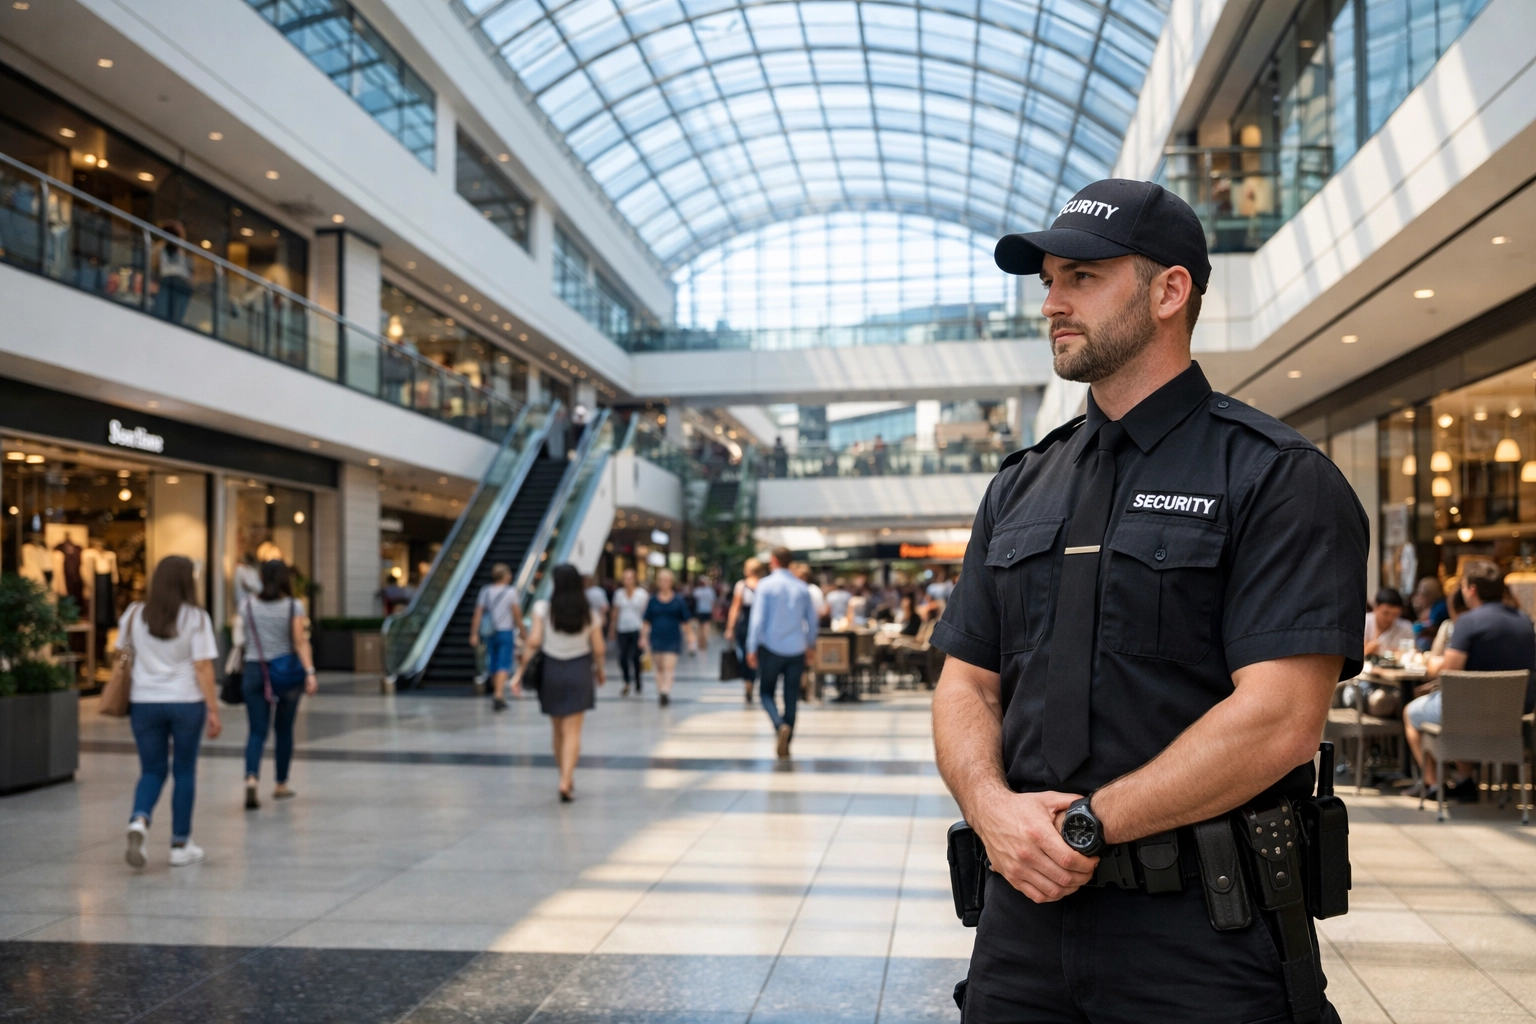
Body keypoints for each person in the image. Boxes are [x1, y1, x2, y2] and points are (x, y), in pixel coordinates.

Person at [931, 178, 1368, 1022]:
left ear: (1170, 291)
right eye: (1049, 280)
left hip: (1203, 936)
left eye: (1082, 277)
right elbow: (966, 683)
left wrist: (1087, 827)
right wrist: (991, 811)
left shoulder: (1274, 477)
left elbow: (1281, 719)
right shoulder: (1021, 486)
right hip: (1022, 930)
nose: (1052, 303)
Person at [1404, 561, 1536, 802]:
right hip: (1515, 714)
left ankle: (1434, 785)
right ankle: (1465, 781)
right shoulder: (1524, 621)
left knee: (1411, 712)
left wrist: (1433, 663)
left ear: (1471, 589)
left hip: (1468, 712)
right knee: (1459, 703)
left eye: (1463, 585)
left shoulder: (1468, 621)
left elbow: (1449, 672)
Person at [120, 556, 221, 869]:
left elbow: (119, 651)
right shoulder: (196, 617)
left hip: (144, 702)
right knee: (184, 770)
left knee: (152, 769)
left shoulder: (135, 613)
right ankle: (180, 844)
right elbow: (202, 666)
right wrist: (214, 710)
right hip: (185, 702)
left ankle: (139, 820)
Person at [516, 564, 605, 802]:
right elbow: (599, 648)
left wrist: (520, 672)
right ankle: (566, 779)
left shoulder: (542, 609)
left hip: (551, 671)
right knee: (573, 731)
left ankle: (563, 775)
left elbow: (534, 641)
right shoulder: (589, 613)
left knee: (557, 730)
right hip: (580, 670)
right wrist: (600, 670)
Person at [238, 560, 317, 810]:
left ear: (261, 576)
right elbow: (299, 641)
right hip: (285, 673)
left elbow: (241, 637)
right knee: (284, 730)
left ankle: (251, 778)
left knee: (256, 731)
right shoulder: (294, 606)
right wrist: (310, 672)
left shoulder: (247, 604)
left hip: (254, 669)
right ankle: (280, 784)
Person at [746, 547, 820, 759]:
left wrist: (751, 647)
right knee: (791, 697)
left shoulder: (765, 586)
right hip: (796, 648)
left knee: (765, 692)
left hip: (771, 648)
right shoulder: (802, 587)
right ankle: (787, 738)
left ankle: (779, 726)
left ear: (773, 561)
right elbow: (812, 622)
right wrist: (811, 646)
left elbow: (758, 619)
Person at [469, 564, 526, 712]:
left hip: (490, 632)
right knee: (504, 663)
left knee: (493, 662)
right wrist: (523, 631)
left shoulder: (486, 591)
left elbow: (478, 613)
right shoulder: (511, 592)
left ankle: (497, 693)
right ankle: (498, 695)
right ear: (506, 576)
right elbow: (517, 614)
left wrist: (474, 633)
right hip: (505, 631)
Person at [642, 568, 691, 706]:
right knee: (659, 667)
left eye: (667, 580)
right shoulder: (652, 600)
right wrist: (643, 637)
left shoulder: (678, 600)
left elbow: (685, 620)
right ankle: (660, 690)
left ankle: (665, 691)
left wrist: (690, 636)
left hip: (673, 637)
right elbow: (646, 620)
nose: (664, 583)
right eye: (662, 580)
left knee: (668, 666)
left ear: (671, 582)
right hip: (656, 636)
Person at [726, 558, 766, 704]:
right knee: (757, 654)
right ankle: (752, 681)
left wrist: (730, 627)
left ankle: (747, 682)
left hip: (745, 623)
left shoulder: (741, 586)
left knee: (744, 654)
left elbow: (735, 607)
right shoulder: (765, 584)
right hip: (761, 625)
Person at [609, 568, 648, 696]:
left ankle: (637, 680)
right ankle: (626, 681)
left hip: (637, 628)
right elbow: (615, 612)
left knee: (636, 657)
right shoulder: (619, 594)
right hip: (622, 628)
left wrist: (644, 634)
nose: (628, 581)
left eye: (630, 578)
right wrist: (612, 628)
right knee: (622, 657)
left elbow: (645, 614)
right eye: (625, 578)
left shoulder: (641, 594)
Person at [152, 220, 193, 324]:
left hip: (180, 282)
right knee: (163, 312)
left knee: (176, 315)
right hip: (166, 281)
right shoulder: (161, 247)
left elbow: (188, 270)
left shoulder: (182, 250)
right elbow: (154, 263)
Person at [1363, 588, 1415, 657]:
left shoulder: (1405, 627)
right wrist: (1367, 650)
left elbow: (1411, 654)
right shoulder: (1364, 622)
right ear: (1376, 607)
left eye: (1395, 614)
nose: (1389, 618)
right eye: (1385, 613)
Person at [690, 575, 716, 651]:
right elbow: (713, 602)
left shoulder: (697, 591)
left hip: (702, 611)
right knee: (704, 627)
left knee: (702, 627)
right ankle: (703, 642)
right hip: (705, 610)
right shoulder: (709, 590)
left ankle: (702, 643)